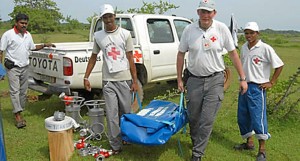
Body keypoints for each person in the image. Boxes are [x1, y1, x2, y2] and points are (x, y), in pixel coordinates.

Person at [176, 0, 248, 160]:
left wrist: (242, 78)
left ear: (214, 13)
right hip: (193, 80)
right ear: (198, 12)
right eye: (202, 11)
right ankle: (196, 142)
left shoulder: (221, 29)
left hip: (215, 80)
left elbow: (233, 53)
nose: (205, 15)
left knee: (207, 119)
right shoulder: (189, 30)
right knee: (193, 117)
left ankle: (197, 154)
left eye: (209, 12)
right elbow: (181, 54)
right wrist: (179, 79)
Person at [83, 4, 138, 154]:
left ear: (115, 16)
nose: (108, 19)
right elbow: (93, 57)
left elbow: (130, 58)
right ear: (101, 19)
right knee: (111, 113)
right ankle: (115, 145)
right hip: (108, 81)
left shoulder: (125, 34)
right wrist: (86, 76)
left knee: (125, 112)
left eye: (110, 16)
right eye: (104, 17)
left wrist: (134, 81)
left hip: (124, 79)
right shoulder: (99, 36)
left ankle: (126, 137)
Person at [234, 22, 284, 161]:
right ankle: (249, 143)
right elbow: (243, 66)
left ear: (258, 33)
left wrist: (271, 82)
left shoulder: (265, 48)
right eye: (246, 33)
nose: (249, 36)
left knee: (258, 118)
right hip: (245, 85)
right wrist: (242, 81)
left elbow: (279, 65)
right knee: (243, 116)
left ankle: (262, 150)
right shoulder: (244, 47)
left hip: (257, 87)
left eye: (252, 33)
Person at [0, 13, 55, 129]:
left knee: (23, 91)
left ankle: (19, 109)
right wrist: (0, 69)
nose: (24, 25)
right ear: (16, 23)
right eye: (22, 23)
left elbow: (33, 47)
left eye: (25, 23)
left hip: (25, 67)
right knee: (14, 91)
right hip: (13, 67)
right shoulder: (8, 35)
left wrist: (45, 45)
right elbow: (1, 51)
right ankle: (18, 115)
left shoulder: (27, 34)